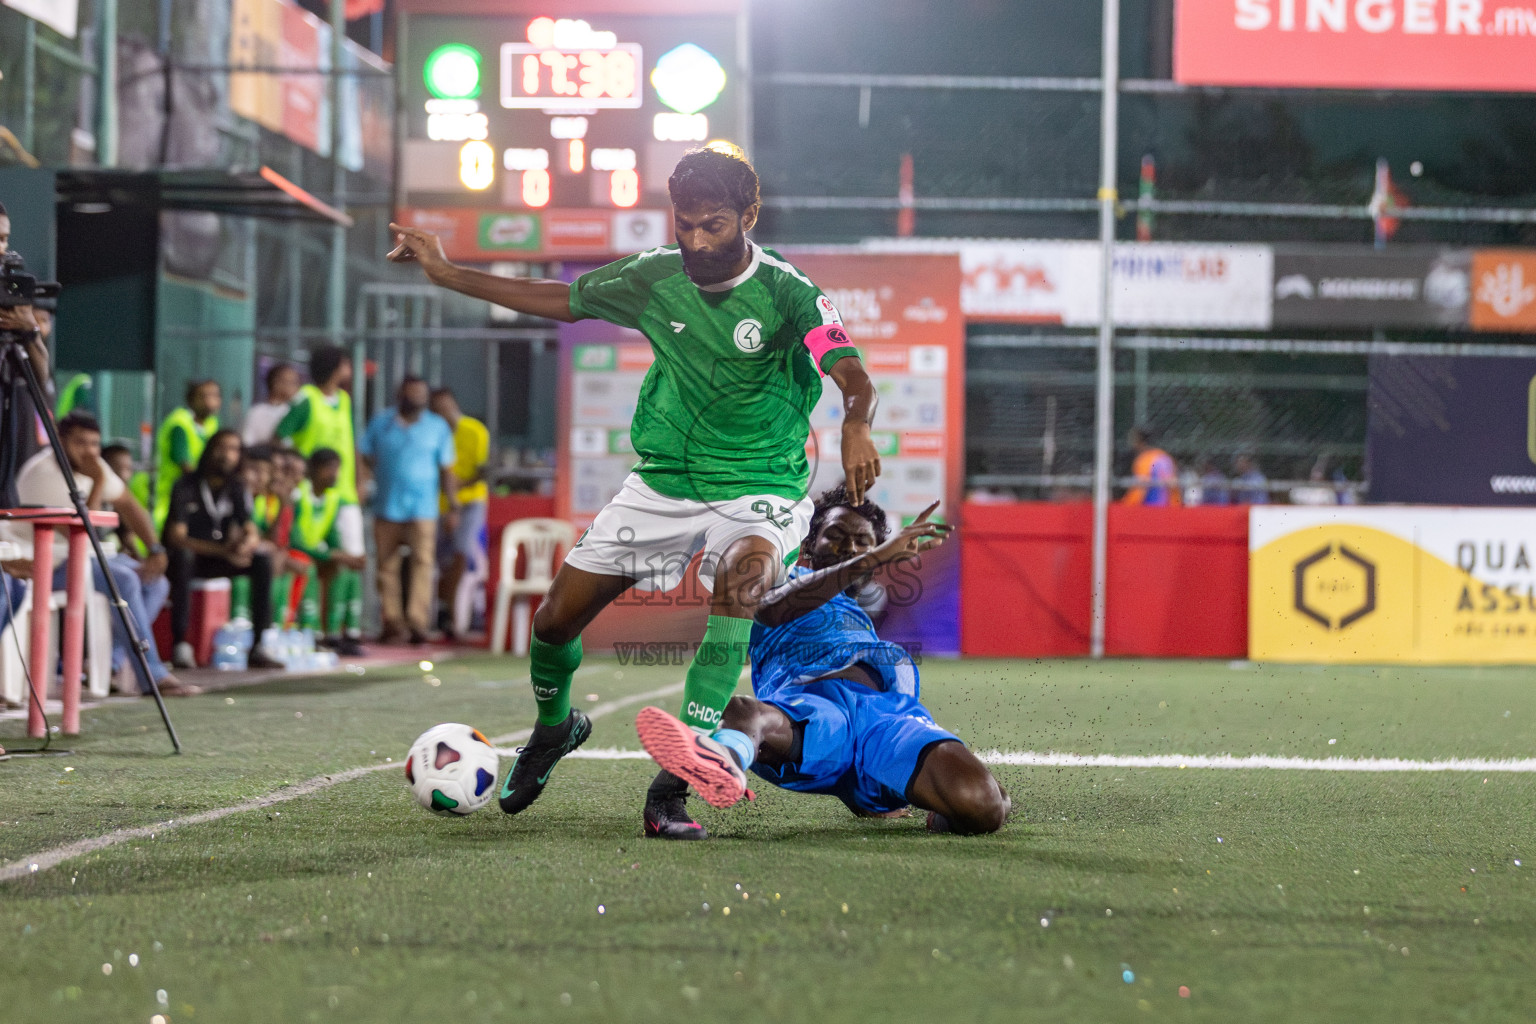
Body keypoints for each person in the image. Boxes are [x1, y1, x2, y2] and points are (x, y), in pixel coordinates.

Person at [387, 145, 880, 838]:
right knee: (555, 621)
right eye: (685, 225)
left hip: (760, 484)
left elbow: (851, 371)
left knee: (741, 580)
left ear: (750, 215)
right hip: (663, 480)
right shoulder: (655, 277)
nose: (697, 240)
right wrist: (445, 271)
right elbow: (561, 302)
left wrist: (857, 423)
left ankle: (679, 777)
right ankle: (554, 730)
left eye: (713, 225)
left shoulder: (787, 290)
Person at [636, 488, 1010, 837]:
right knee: (744, 713)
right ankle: (725, 760)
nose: (850, 547)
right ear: (810, 543)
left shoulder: (863, 606)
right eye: (836, 534)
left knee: (985, 804)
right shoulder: (780, 578)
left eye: (863, 541)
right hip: (807, 713)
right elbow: (769, 609)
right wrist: (873, 555)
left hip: (886, 719)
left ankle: (913, 799)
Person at [10, 412, 194, 696]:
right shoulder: (44, 473)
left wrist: (155, 549)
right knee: (125, 580)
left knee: (156, 581)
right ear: (60, 441)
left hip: (85, 558)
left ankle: (112, 663)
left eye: (95, 444)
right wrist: (97, 482)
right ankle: (153, 676)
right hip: (44, 564)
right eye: (80, 443)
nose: (90, 452)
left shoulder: (93, 467)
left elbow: (131, 507)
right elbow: (82, 533)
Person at [162, 430, 282, 670]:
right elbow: (178, 538)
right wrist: (224, 552)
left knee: (261, 561)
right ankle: (181, 645)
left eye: (234, 449)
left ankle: (259, 645)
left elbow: (250, 527)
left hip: (219, 559)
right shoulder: (186, 485)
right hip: (187, 558)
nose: (227, 455)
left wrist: (247, 543)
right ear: (209, 450)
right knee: (183, 558)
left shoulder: (236, 487)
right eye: (222, 447)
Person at [360, 376, 458, 645]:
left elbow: (447, 468)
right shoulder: (381, 423)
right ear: (400, 395)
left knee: (423, 564)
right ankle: (393, 622)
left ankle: (417, 622)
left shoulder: (437, 427)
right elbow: (364, 454)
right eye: (412, 393)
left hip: (424, 508)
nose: (417, 399)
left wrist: (453, 506)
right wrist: (365, 480)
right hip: (386, 504)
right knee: (386, 566)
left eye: (421, 394)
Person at [273, 346, 367, 591]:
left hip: (342, 491)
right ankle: (306, 616)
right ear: (335, 367)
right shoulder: (307, 398)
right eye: (346, 363)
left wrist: (360, 479)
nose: (349, 368)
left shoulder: (344, 400)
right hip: (310, 491)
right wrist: (295, 468)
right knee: (308, 552)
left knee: (352, 556)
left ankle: (344, 622)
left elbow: (350, 442)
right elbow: (280, 436)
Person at [290, 448, 366, 655]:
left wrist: (344, 556)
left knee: (347, 569)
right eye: (329, 468)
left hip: (314, 554)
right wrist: (332, 555)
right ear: (313, 470)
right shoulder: (298, 495)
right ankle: (310, 632)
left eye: (337, 469)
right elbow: (293, 540)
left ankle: (344, 634)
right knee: (310, 568)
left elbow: (332, 538)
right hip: (296, 553)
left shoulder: (332, 499)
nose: (335, 474)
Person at [429, 386, 490, 638]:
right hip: (438, 504)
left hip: (470, 502)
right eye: (438, 410)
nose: (445, 414)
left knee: (462, 554)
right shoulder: (436, 433)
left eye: (447, 407)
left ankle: (459, 616)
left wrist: (454, 495)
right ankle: (445, 613)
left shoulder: (474, 430)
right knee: (438, 562)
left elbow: (482, 471)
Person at [154, 379, 221, 532]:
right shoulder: (180, 424)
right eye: (203, 396)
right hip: (174, 497)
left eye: (215, 395)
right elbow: (186, 466)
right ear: (191, 400)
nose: (210, 400)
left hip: (198, 496)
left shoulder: (213, 424)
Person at [242, 363, 301, 448]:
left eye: (296, 382)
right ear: (275, 383)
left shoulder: (294, 411)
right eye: (291, 382)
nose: (296, 387)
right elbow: (247, 442)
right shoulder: (257, 412)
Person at [1121, 426, 1180, 507]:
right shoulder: (1164, 456)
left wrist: (1127, 505)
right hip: (1168, 507)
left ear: (1138, 441)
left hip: (1149, 507)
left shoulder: (1144, 460)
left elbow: (1140, 488)